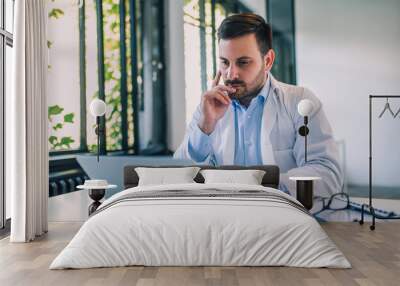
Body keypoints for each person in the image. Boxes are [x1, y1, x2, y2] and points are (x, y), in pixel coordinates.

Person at [174, 13, 343, 198]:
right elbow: (179, 174)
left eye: (243, 62)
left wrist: (260, 186)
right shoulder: (209, 108)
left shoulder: (300, 102)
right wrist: (205, 126)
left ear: (268, 60)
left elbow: (328, 175)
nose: (231, 74)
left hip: (282, 217)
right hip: (225, 218)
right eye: (224, 62)